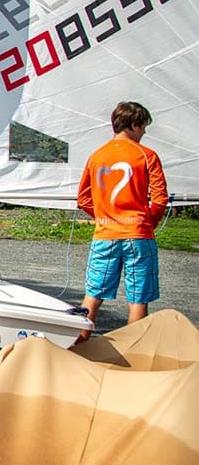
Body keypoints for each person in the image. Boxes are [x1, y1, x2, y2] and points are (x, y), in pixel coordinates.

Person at [76, 101, 168, 343]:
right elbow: (160, 198)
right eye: (143, 127)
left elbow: (83, 198)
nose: (144, 132)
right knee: (138, 298)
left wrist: (104, 216)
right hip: (139, 235)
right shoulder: (147, 155)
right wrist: (148, 223)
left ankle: (78, 346)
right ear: (134, 125)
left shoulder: (96, 156)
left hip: (105, 234)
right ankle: (133, 351)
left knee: (93, 294)